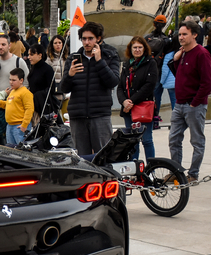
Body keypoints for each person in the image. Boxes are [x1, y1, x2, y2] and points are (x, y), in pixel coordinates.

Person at [60, 21, 120, 155]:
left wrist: (99, 62)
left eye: (90, 38)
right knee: (81, 158)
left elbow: (113, 82)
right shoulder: (73, 59)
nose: (87, 42)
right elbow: (63, 88)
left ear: (98, 39)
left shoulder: (110, 56)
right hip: (78, 116)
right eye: (84, 39)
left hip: (100, 115)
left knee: (103, 156)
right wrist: (70, 74)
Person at [168, 20, 211, 182]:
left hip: (194, 105)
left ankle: (193, 174)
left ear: (195, 35)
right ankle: (176, 171)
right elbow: (181, 75)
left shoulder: (201, 54)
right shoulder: (183, 53)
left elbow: (207, 82)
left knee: (197, 141)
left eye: (184, 34)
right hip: (179, 104)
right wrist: (175, 60)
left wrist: (195, 102)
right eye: (179, 34)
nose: (180, 37)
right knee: (174, 139)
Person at [116, 36, 158, 160]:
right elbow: (120, 86)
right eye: (135, 47)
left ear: (145, 49)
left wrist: (132, 101)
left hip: (143, 108)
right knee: (132, 141)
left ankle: (151, 168)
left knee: (146, 140)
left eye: (140, 47)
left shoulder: (151, 63)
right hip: (128, 109)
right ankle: (134, 169)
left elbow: (149, 85)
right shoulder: (127, 64)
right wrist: (124, 101)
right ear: (131, 49)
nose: (137, 50)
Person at [0, 68, 34, 145]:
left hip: (19, 126)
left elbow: (29, 109)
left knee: (21, 149)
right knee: (11, 149)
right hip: (10, 126)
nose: (11, 82)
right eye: (10, 79)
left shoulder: (26, 93)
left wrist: (24, 125)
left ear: (21, 80)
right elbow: (10, 104)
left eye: (13, 80)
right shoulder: (13, 91)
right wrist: (0, 103)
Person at [145, 15, 172, 130]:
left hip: (148, 71)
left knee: (150, 96)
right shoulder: (167, 41)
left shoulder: (147, 38)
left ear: (154, 24)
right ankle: (157, 119)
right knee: (159, 97)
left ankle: (150, 119)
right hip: (160, 71)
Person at [27, 44, 57, 118]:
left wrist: (38, 96)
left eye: (32, 54)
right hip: (33, 106)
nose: (29, 57)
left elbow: (51, 89)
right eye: (28, 55)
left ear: (40, 55)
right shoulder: (33, 68)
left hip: (44, 107)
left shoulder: (47, 69)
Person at [46, 35, 69, 118]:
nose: (58, 45)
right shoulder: (49, 59)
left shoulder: (67, 58)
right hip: (54, 94)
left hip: (65, 93)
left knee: (66, 117)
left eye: (60, 43)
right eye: (55, 43)